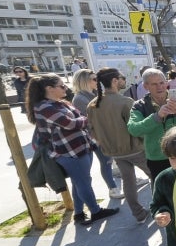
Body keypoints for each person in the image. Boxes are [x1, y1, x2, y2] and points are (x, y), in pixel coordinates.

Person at [27, 74, 118, 224]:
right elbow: (70, 123)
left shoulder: (60, 103)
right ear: (49, 89)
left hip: (82, 147)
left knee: (79, 182)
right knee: (83, 182)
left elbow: (79, 118)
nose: (66, 88)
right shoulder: (43, 107)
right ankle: (95, 211)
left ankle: (79, 212)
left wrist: (83, 120)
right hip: (68, 152)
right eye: (61, 86)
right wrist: (88, 119)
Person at [87, 68, 153, 224]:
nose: (125, 81)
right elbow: (137, 128)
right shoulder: (125, 102)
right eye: (122, 77)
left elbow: (91, 130)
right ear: (115, 81)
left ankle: (139, 214)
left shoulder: (92, 104)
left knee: (128, 182)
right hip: (135, 149)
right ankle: (161, 208)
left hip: (114, 152)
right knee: (156, 177)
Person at [127, 68, 176, 183]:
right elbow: (134, 129)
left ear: (166, 83)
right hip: (157, 159)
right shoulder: (140, 106)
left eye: (162, 83)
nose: (160, 87)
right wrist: (157, 117)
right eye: (154, 84)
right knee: (163, 194)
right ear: (146, 86)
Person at [71, 69, 121, 199]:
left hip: (105, 132)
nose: (97, 81)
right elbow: (90, 121)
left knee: (111, 159)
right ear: (84, 81)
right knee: (106, 161)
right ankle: (112, 188)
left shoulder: (94, 93)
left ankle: (117, 184)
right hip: (95, 136)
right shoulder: (80, 98)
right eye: (94, 79)